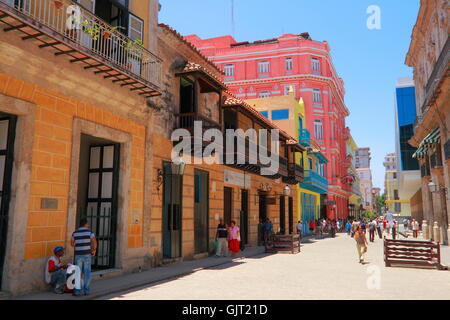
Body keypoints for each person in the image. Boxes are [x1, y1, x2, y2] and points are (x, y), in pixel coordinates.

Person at [71, 218, 97, 296]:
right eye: (87, 224)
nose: (88, 225)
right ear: (85, 224)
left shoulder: (74, 233)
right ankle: (87, 291)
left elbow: (72, 244)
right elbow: (94, 242)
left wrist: (78, 244)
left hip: (78, 254)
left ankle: (77, 291)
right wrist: (94, 250)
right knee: (87, 273)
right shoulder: (89, 232)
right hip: (87, 254)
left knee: (78, 273)